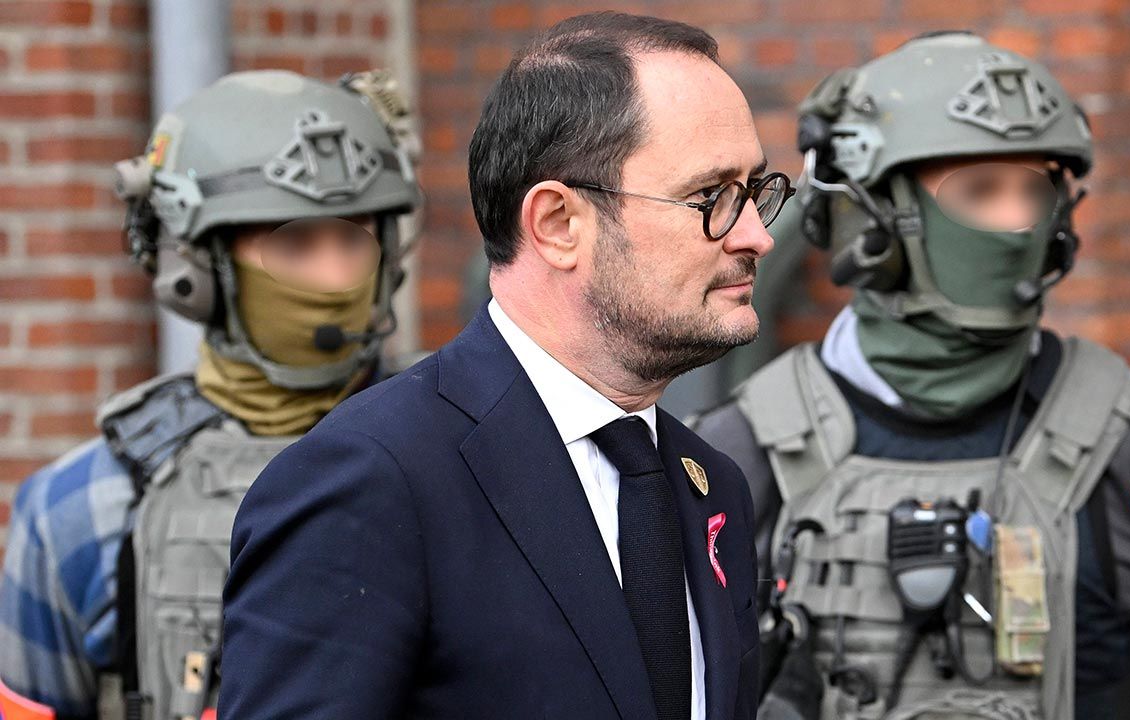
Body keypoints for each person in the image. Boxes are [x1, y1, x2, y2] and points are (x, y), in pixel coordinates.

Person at [691, 32, 1130, 720]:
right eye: (979, 190)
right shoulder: (730, 458)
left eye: (1033, 191)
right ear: (870, 213)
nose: (1015, 223)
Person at [219, 12, 791, 720]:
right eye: (712, 198)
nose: (756, 235)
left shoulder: (711, 484)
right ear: (557, 224)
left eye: (755, 191)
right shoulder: (372, 481)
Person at [0, 69, 422, 719]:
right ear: (197, 269)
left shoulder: (470, 451)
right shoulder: (81, 512)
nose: (333, 276)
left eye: (352, 239)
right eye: (294, 244)